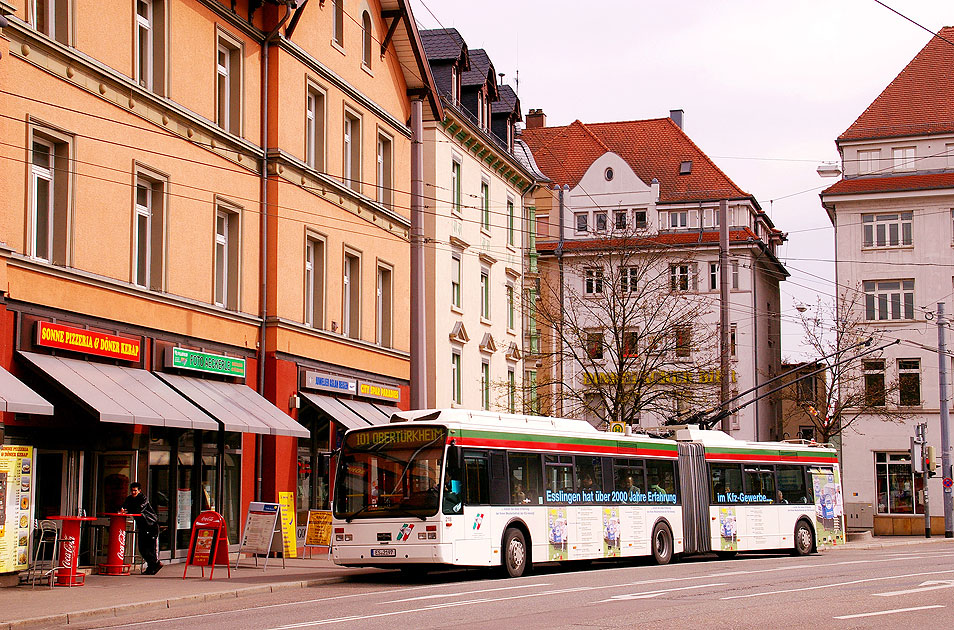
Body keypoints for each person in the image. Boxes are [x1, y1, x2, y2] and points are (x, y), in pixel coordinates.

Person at [120, 482, 162, 575]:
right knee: (142, 548)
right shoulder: (129, 499)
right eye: (132, 491)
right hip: (142, 526)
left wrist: (128, 510)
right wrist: (123, 509)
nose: (133, 492)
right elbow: (124, 506)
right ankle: (154, 565)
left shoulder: (143, 499)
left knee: (151, 547)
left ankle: (154, 565)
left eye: (135, 490)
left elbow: (139, 509)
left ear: (139, 491)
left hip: (150, 525)